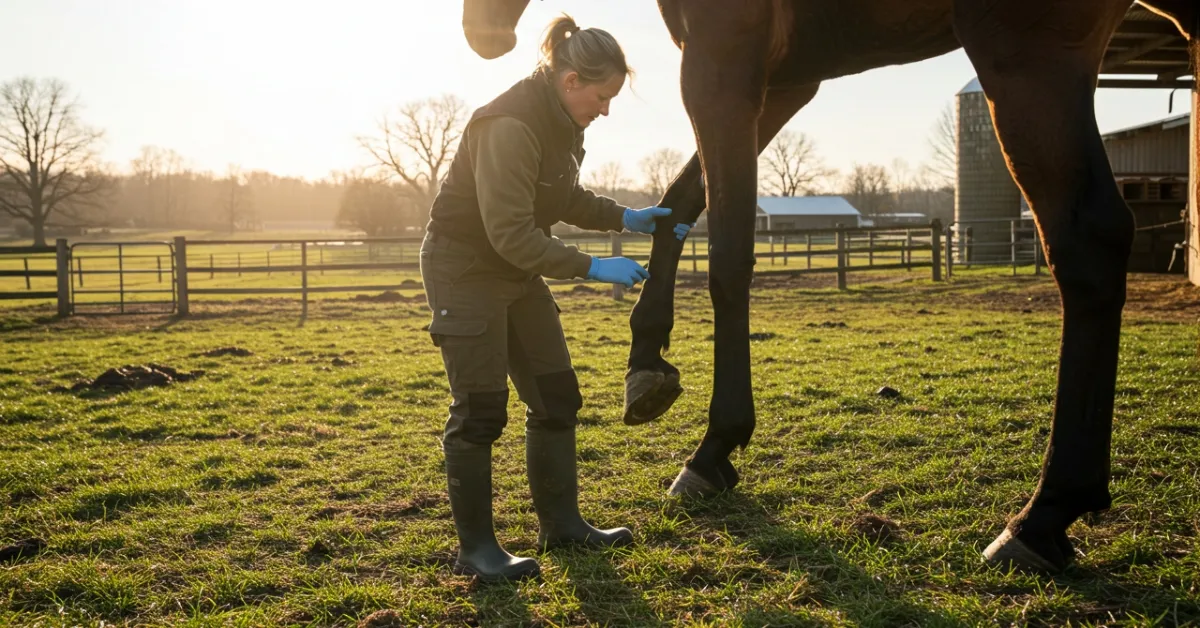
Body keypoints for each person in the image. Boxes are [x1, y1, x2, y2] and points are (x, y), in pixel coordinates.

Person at [420, 14, 693, 582]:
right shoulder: (509, 124)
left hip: (515, 271)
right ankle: (477, 550)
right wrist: (594, 266)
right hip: (466, 267)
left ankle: (563, 527)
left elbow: (562, 195)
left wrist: (625, 215)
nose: (606, 109)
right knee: (480, 411)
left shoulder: (564, 120)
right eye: (602, 96)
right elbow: (511, 233)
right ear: (570, 81)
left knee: (557, 398)